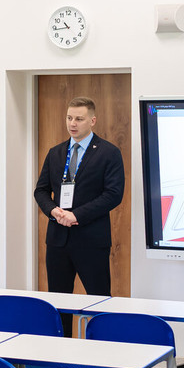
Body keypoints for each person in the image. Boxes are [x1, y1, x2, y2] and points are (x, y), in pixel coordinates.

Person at [32, 96, 125, 303]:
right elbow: (41, 191)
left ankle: (100, 337)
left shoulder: (108, 153)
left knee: (99, 301)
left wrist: (77, 215)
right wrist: (53, 211)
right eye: (69, 118)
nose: (72, 124)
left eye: (79, 119)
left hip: (91, 240)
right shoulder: (55, 153)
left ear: (92, 121)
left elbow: (113, 195)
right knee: (59, 302)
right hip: (58, 239)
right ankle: (60, 337)